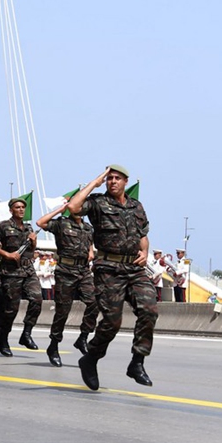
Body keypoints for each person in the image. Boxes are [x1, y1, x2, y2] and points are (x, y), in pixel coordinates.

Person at [68, 165, 157, 390]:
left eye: (117, 178)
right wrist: (94, 182)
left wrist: (145, 252)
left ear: (126, 181)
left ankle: (137, 362)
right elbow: (73, 206)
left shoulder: (136, 206)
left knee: (149, 310)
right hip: (109, 268)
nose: (112, 182)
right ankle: (91, 358)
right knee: (112, 322)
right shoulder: (98, 202)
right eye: (109, 178)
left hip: (134, 270)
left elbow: (143, 235)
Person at [36, 202, 98, 367]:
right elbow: (40, 223)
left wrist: (91, 251)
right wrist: (59, 210)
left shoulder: (88, 227)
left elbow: (90, 242)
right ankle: (54, 345)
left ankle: (83, 337)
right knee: (63, 310)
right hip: (65, 270)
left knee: (95, 302)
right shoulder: (61, 223)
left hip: (83, 270)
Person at [0, 197, 42, 356]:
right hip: (10, 271)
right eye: (17, 207)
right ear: (11, 210)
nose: (21, 210)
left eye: (22, 207)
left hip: (28, 269)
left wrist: (33, 243)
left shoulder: (28, 227)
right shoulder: (3, 226)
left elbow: (32, 250)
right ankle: (3, 338)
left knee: (37, 299)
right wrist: (6, 254)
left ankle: (26, 334)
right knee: (10, 309)